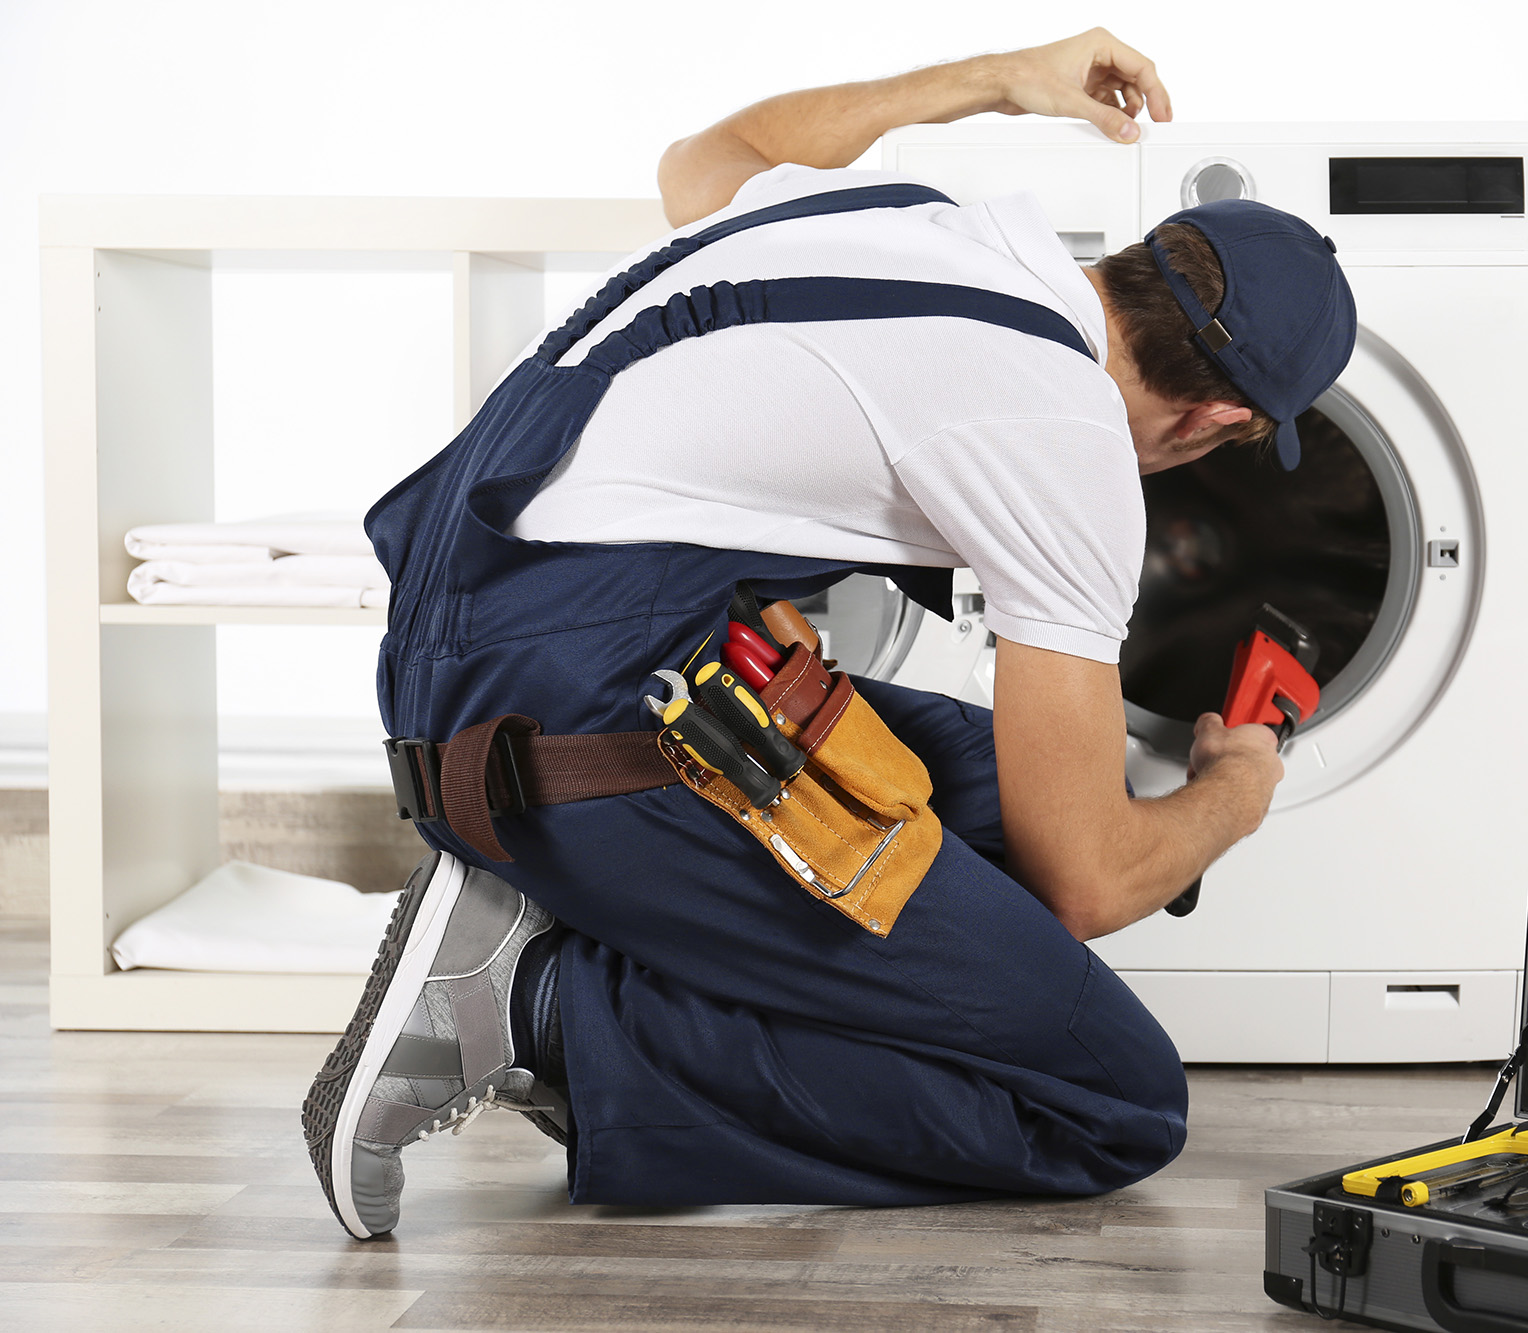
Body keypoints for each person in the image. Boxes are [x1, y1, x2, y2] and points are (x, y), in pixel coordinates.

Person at [302, 28, 1356, 1240]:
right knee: (1111, 1101)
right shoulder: (1064, 439)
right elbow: (1089, 878)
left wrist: (995, 81)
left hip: (494, 645)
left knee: (989, 792)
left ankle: (564, 917)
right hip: (562, 718)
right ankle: (532, 1006)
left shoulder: (926, 221)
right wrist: (1233, 790)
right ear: (1219, 421)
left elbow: (709, 157)